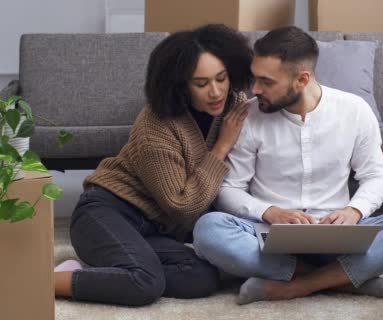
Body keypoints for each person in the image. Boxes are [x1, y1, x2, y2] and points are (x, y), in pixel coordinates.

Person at [192, 26, 383, 305]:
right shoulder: (249, 116)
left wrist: (354, 210)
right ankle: (344, 280)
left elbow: (376, 175)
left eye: (266, 82)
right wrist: (270, 211)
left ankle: (298, 285)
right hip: (268, 236)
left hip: (339, 233)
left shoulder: (354, 110)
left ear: (302, 79)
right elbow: (230, 189)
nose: (255, 89)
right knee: (208, 229)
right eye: (254, 78)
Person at [53, 24, 253, 306]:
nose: (216, 92)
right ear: (180, 86)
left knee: (202, 277)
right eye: (201, 83)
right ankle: (42, 282)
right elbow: (182, 207)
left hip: (153, 229)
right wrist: (221, 147)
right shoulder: (155, 127)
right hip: (106, 213)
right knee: (145, 283)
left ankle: (110, 270)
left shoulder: (234, 104)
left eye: (221, 78)